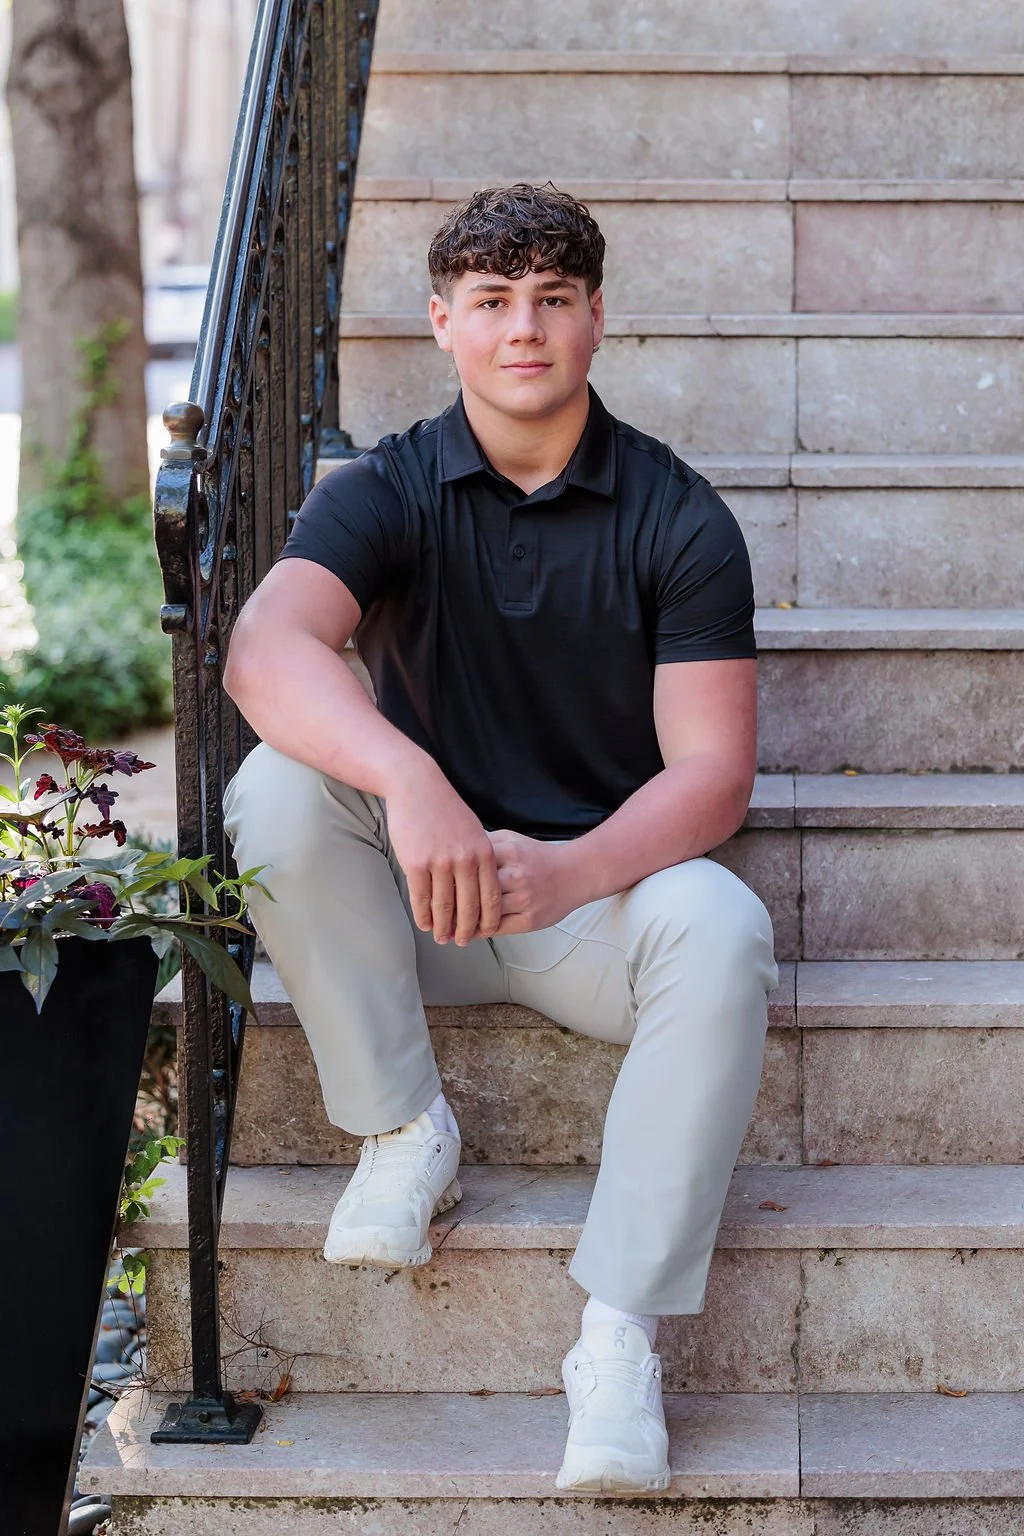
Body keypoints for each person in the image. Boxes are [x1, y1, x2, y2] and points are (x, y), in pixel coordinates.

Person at [222, 182, 778, 1494]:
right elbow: (263, 648)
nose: (521, 329)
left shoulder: (680, 517)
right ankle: (406, 1129)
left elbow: (716, 775)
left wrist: (575, 869)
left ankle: (618, 1340)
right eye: (491, 303)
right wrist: (413, 783)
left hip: (590, 913)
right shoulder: (390, 486)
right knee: (278, 790)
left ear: (593, 324)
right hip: (415, 906)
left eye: (551, 300)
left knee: (724, 924)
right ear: (443, 323)